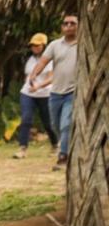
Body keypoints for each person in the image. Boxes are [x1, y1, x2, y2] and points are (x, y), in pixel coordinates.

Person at [28, 13, 78, 170]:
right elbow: (43, 61)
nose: (68, 26)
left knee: (65, 124)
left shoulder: (83, 45)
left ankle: (63, 157)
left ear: (79, 26)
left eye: (72, 23)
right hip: (56, 92)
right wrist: (34, 74)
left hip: (73, 92)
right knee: (55, 125)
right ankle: (67, 146)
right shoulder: (55, 45)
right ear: (62, 27)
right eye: (65, 23)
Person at [14, 33, 57, 158]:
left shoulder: (50, 60)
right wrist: (29, 86)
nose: (34, 47)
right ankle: (22, 148)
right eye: (32, 45)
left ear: (44, 46)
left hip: (45, 94)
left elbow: (51, 78)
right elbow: (27, 76)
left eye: (37, 45)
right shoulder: (30, 59)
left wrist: (38, 87)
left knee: (48, 123)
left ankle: (55, 145)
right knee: (26, 119)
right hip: (28, 93)